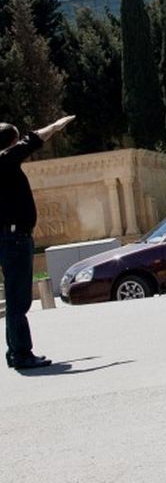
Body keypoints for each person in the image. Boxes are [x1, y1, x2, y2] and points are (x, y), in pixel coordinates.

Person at [1, 115, 75, 370]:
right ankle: (21, 353)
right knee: (18, 298)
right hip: (15, 238)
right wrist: (55, 126)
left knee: (14, 297)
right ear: (11, 143)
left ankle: (14, 352)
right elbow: (32, 141)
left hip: (9, 236)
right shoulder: (5, 161)